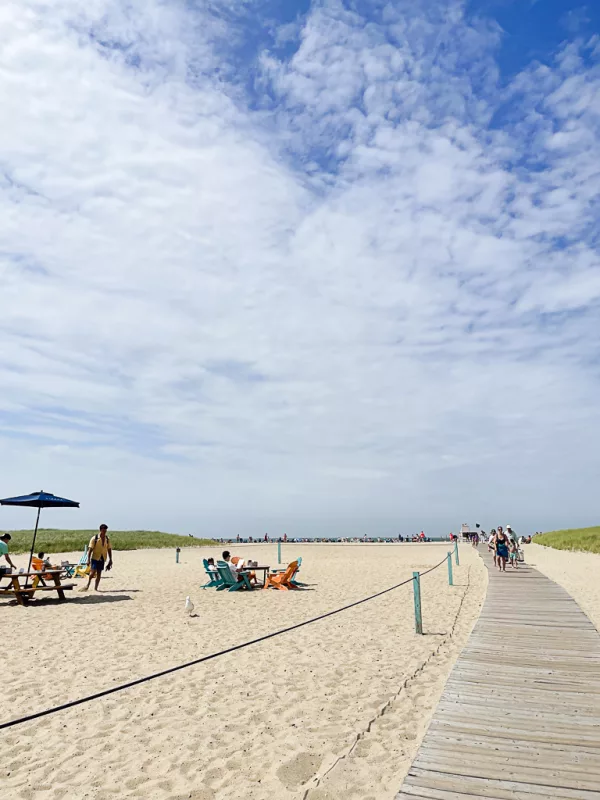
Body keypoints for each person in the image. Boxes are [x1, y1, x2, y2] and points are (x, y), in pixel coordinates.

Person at [82, 524, 113, 591]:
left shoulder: (107, 539)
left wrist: (110, 559)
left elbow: (109, 549)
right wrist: (88, 560)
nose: (104, 532)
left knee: (99, 573)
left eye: (105, 531)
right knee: (92, 573)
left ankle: (96, 588)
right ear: (100, 530)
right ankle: (88, 584)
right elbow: (90, 550)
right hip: (95, 558)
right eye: (103, 531)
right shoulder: (94, 538)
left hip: (103, 558)